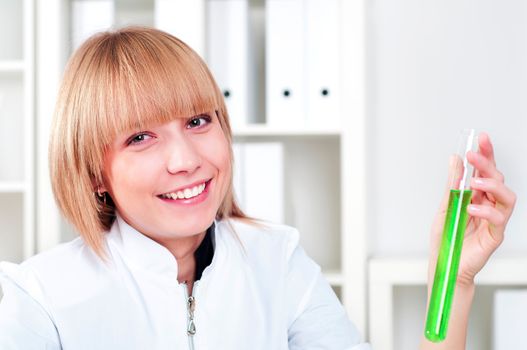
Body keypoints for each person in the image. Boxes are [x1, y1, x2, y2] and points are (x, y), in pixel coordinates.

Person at [0, 26, 516, 349]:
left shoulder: (277, 260)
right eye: (141, 137)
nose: (186, 160)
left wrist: (457, 280)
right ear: (94, 172)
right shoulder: (40, 298)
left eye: (199, 121)